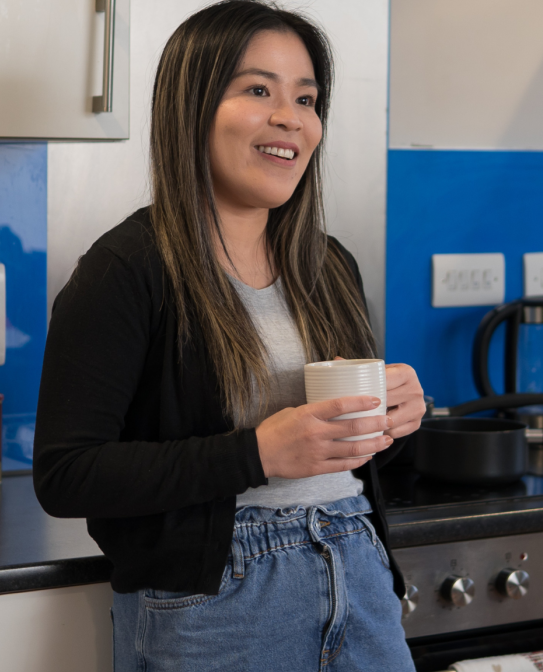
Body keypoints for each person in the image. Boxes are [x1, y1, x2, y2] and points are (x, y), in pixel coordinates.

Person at [33, 2, 425, 670]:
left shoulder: (328, 264)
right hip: (220, 603)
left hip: (354, 569)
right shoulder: (128, 269)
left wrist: (397, 419)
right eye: (257, 90)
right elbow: (68, 474)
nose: (290, 117)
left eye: (306, 97)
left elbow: (345, 458)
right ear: (192, 106)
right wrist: (256, 453)